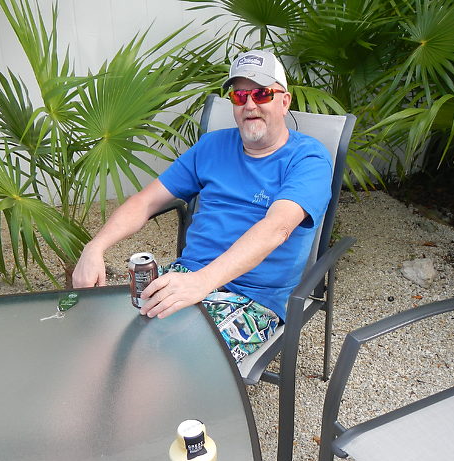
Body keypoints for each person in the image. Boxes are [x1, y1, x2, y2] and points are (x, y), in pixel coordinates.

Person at [72, 49, 333, 363]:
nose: (250, 104)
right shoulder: (212, 146)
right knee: (99, 336)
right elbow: (144, 201)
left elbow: (276, 229)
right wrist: (94, 247)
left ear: (284, 101)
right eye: (239, 96)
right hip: (185, 276)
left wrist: (201, 282)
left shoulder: (308, 159)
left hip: (251, 298)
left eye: (262, 93)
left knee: (171, 362)